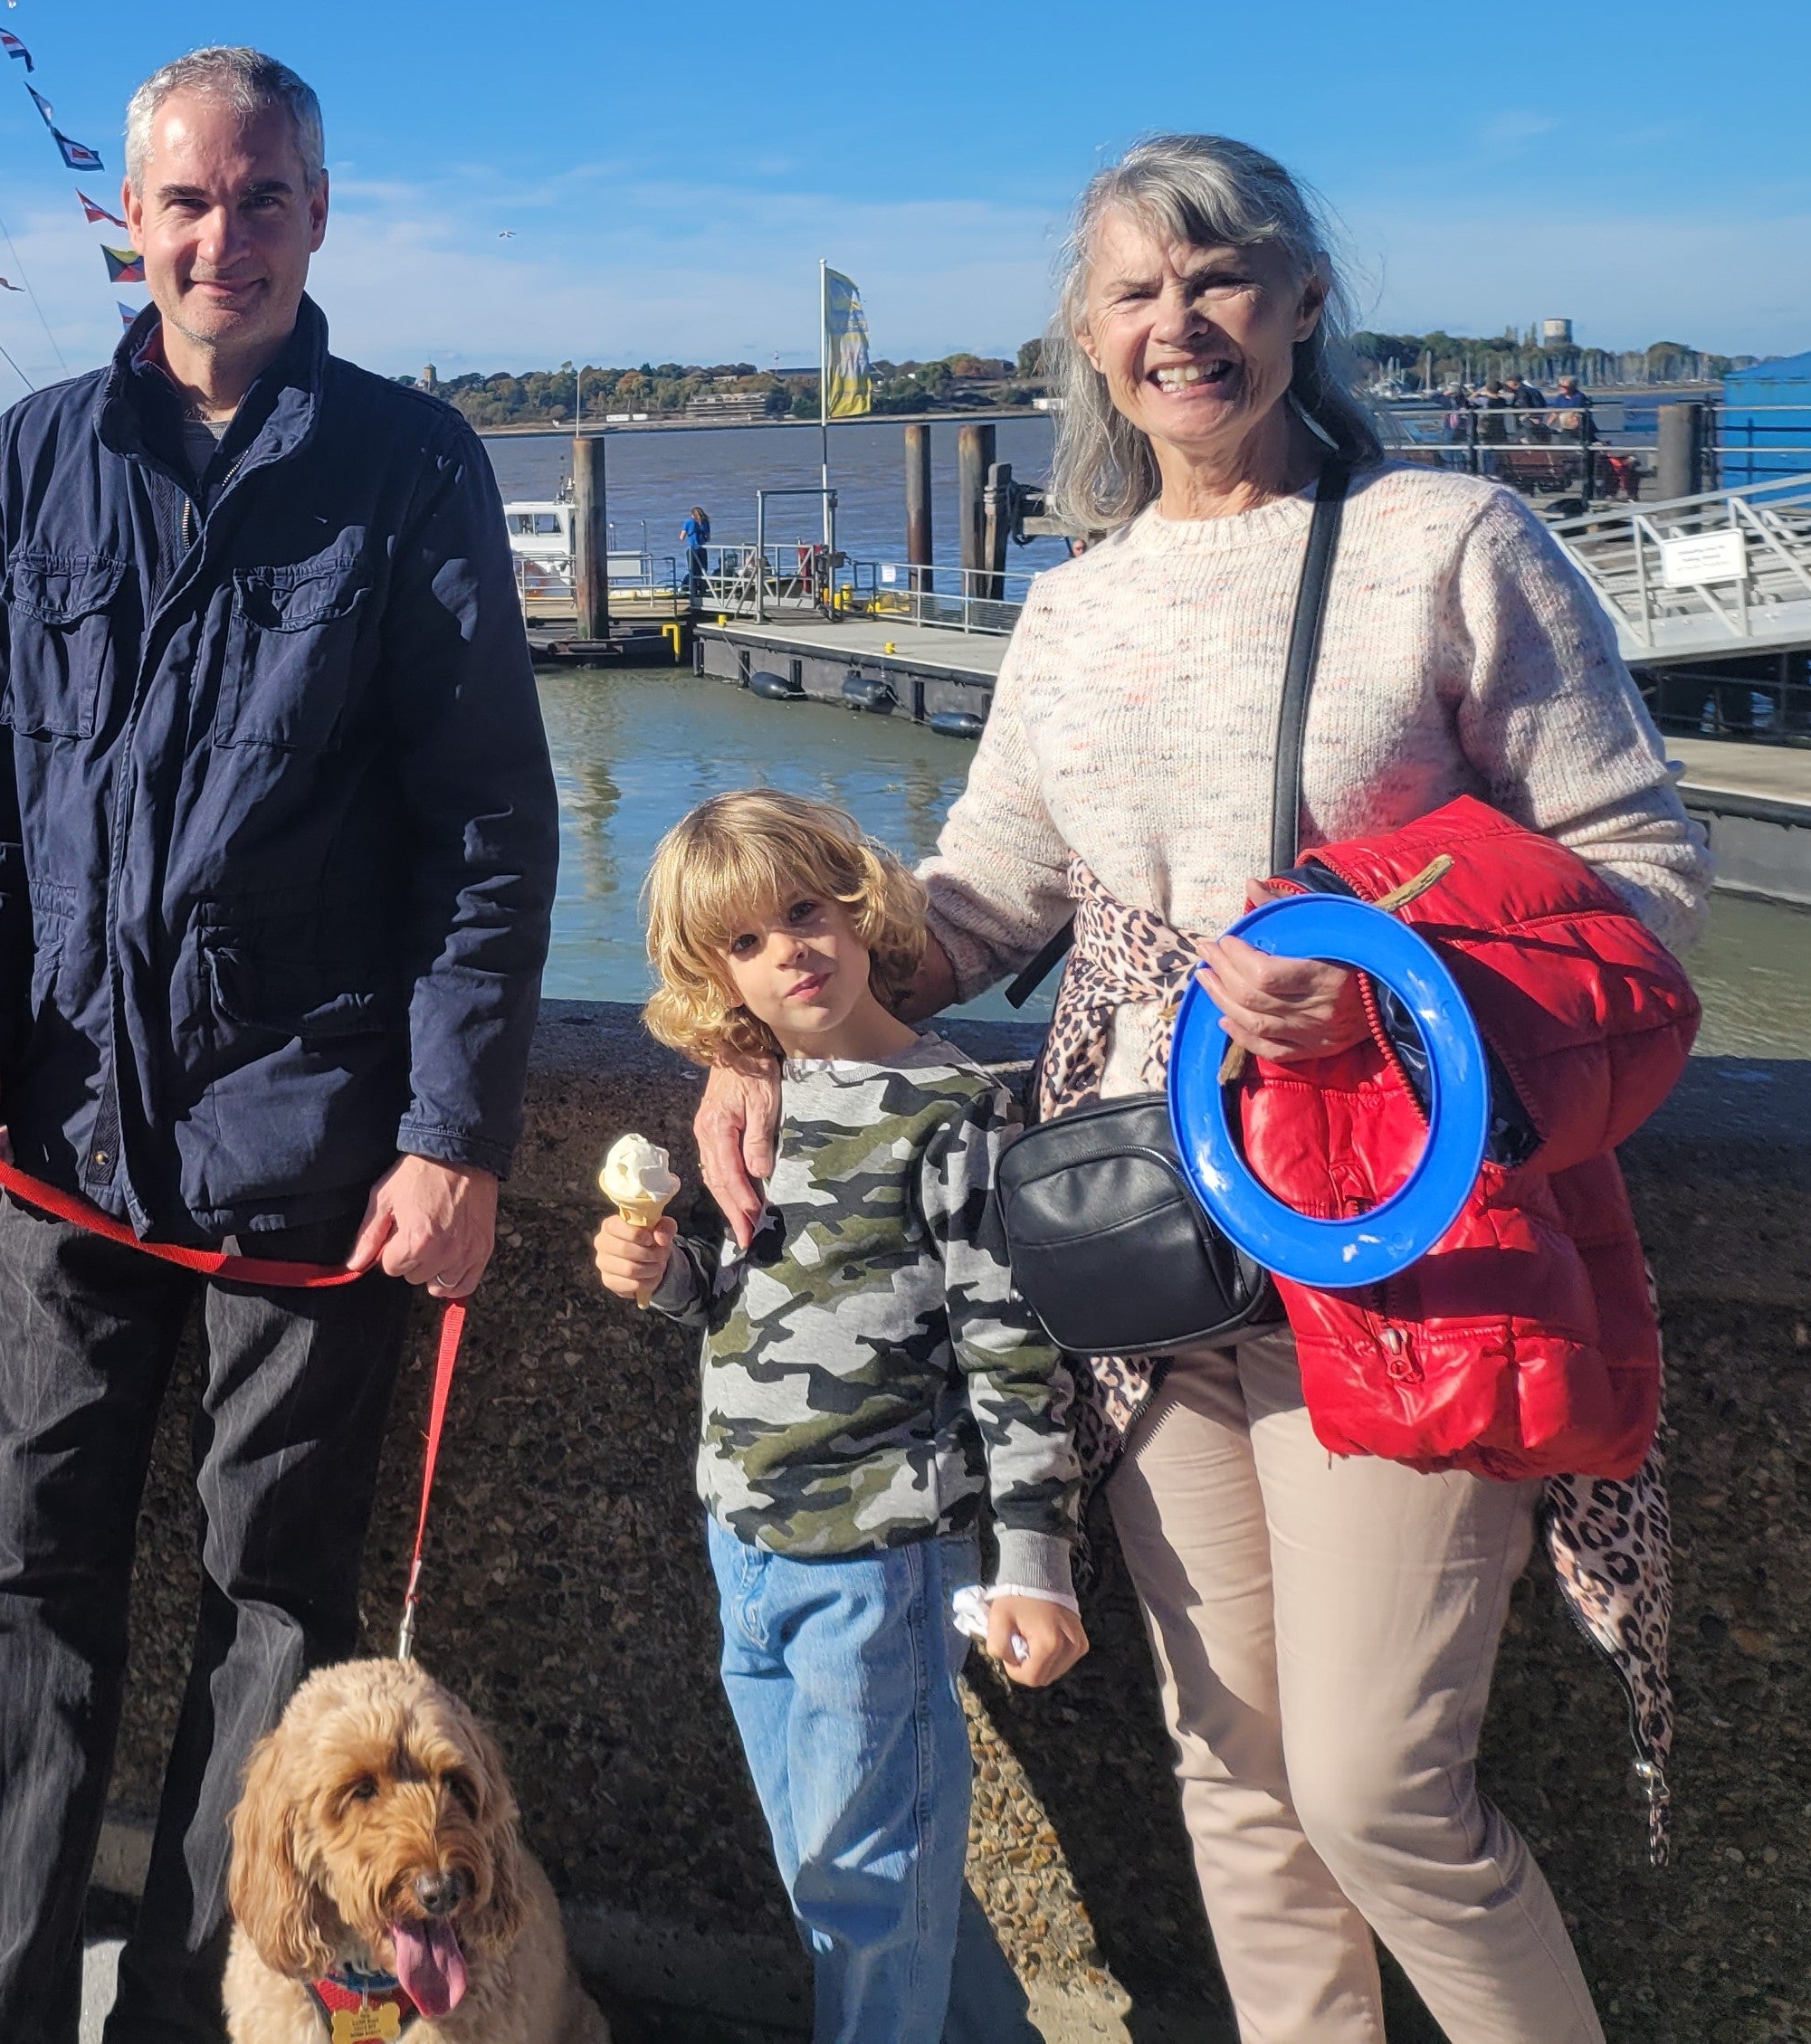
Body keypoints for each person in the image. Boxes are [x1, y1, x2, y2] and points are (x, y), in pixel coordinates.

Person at [691, 135, 1708, 2044]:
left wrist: (1392, 1004)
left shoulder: (1451, 543)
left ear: (1304, 298)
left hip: (1395, 1238)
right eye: (1138, 292)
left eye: (1221, 276)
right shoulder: (1071, 614)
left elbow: (1642, 877)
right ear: (1084, 332)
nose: (1181, 323)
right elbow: (975, 903)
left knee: (1378, 1786)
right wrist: (754, 1040)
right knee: (1232, 1772)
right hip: (1150, 1244)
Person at [0, 46, 558, 2044]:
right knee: (35, 1589)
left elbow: (486, 826)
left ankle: (205, 2018)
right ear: (131, 218)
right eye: (187, 201)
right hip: (68, 1132)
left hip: (312, 1143)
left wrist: (456, 1129)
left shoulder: (410, 460)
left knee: (273, 1605)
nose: (223, 237)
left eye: (261, 198)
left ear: (318, 216)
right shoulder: (22, 464)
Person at [592, 791, 1078, 2044]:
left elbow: (1009, 1346)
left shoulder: (955, 1106)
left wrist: (1034, 1560)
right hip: (744, 1538)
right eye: (745, 943)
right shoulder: (769, 1098)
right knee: (842, 1868)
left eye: (804, 911)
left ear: (858, 905)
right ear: (716, 982)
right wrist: (671, 1279)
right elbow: (750, 1303)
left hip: (880, 1559)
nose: (789, 950)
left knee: (862, 1883)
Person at [682, 501, 711, 620]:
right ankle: (703, 591)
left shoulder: (688, 522)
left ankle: (693, 593)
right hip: (703, 549)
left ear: (692, 515)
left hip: (692, 549)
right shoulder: (705, 522)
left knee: (692, 571)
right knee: (703, 571)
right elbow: (708, 538)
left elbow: (681, 537)